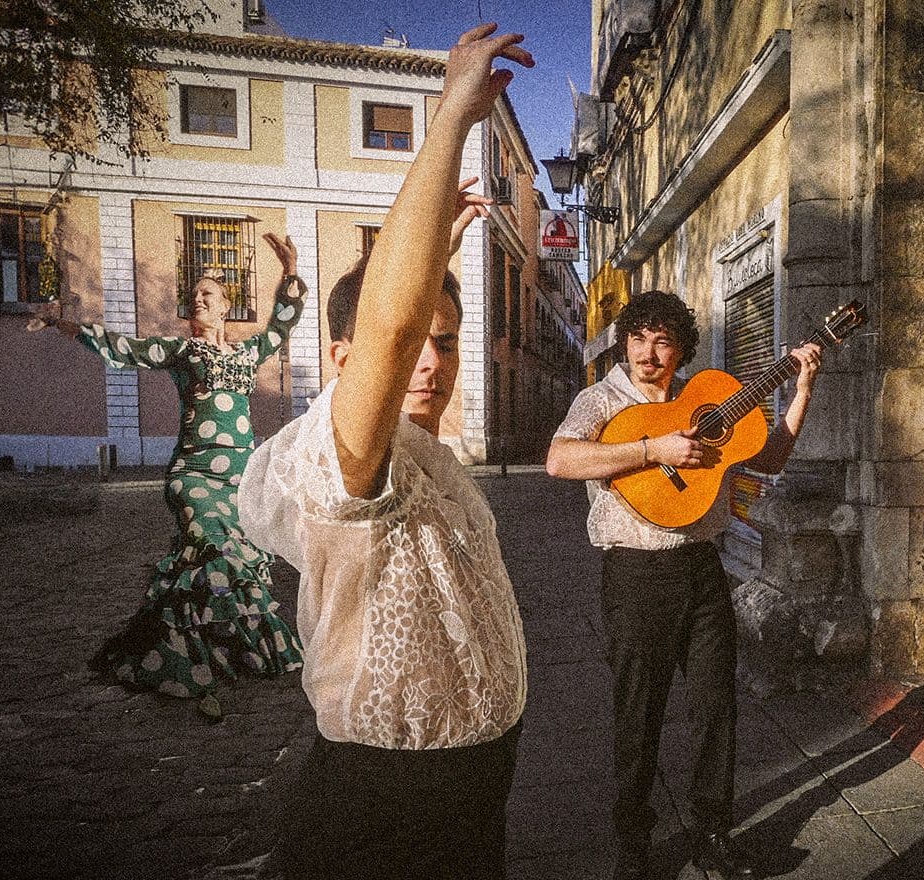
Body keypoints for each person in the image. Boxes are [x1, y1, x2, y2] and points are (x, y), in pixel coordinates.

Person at [234, 23, 532, 878]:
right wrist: (450, 121)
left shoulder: (426, 458)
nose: (428, 360)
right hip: (384, 808)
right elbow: (390, 327)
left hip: (474, 791)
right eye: (412, 347)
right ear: (339, 363)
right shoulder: (343, 456)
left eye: (448, 341)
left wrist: (440, 246)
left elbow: (407, 323)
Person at [545, 291, 822, 880]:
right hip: (636, 574)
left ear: (681, 348)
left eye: (663, 341)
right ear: (625, 340)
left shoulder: (708, 398)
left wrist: (801, 391)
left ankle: (712, 834)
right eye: (639, 338)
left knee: (715, 709)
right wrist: (652, 449)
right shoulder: (600, 399)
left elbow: (768, 456)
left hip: (702, 569)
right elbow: (560, 460)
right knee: (637, 714)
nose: (649, 353)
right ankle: (634, 845)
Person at [34, 233, 307, 721]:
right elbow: (125, 348)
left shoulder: (247, 354)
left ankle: (230, 651)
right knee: (213, 547)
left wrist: (289, 272)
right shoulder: (182, 353)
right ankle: (183, 661)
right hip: (195, 477)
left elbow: (281, 328)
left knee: (236, 561)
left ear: (226, 308)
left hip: (240, 481)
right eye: (195, 295)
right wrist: (67, 325)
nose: (198, 300)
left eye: (208, 295)